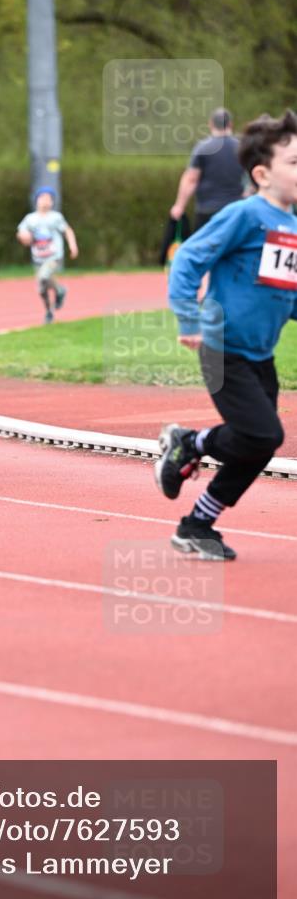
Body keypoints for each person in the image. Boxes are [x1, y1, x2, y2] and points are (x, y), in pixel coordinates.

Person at [155, 109, 297, 560]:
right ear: (262, 174)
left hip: (260, 354)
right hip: (222, 348)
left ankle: (197, 523)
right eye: (294, 161)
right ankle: (190, 444)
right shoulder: (245, 215)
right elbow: (187, 259)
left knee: (258, 444)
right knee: (261, 435)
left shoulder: (293, 227)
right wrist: (188, 319)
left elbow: (285, 293)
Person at [170, 108, 245, 231]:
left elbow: (191, 179)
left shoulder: (203, 148)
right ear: (230, 124)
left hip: (207, 210)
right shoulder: (241, 147)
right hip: (236, 209)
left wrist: (179, 206)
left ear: (210, 124)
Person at [17, 187, 78, 323]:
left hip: (54, 256)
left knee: (44, 277)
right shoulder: (30, 219)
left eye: (48, 199)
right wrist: (23, 237)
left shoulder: (55, 217)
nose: (45, 201)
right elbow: (21, 233)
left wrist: (73, 245)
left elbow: (67, 231)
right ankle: (50, 308)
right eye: (42, 198)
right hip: (38, 258)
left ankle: (59, 291)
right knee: (41, 289)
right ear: (36, 201)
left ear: (52, 202)